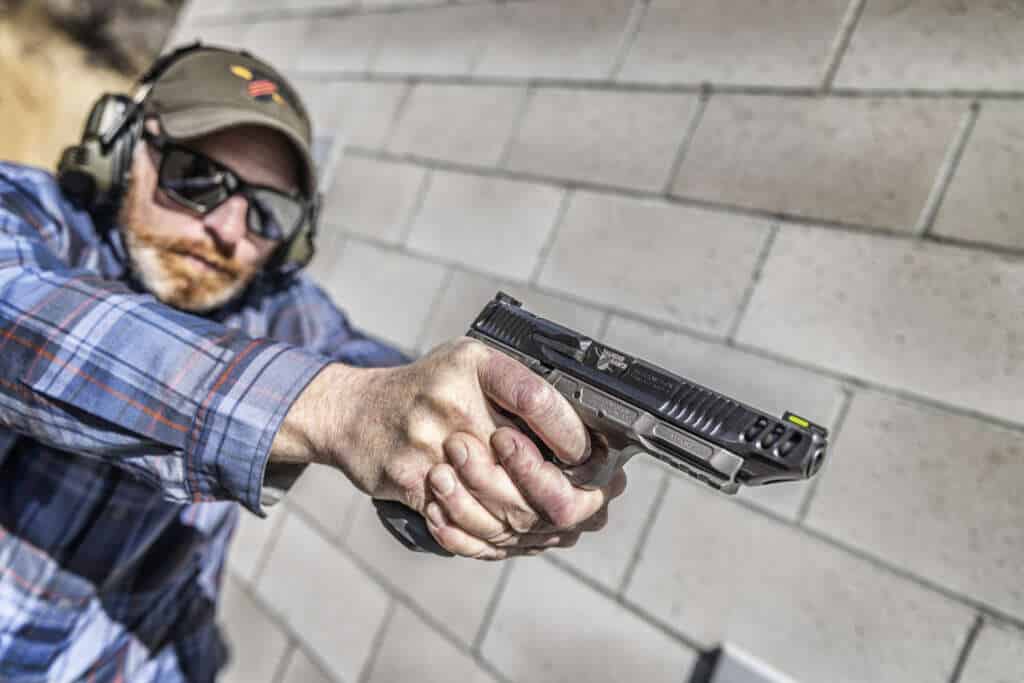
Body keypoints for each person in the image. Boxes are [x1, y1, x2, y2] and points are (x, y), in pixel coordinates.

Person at [0, 43, 627, 682]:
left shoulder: (276, 308)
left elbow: (392, 381)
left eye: (269, 212)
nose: (230, 229)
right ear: (121, 146)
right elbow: (20, 310)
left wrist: (503, 435)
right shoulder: (29, 211)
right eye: (195, 177)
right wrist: (339, 409)